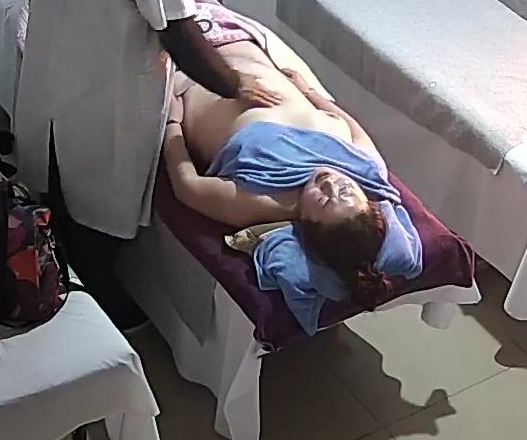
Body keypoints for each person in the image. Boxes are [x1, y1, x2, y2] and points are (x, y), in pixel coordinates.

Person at [16, 0, 279, 332]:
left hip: (52, 65)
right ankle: (92, 289)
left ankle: (60, 253)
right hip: (107, 89)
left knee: (57, 170)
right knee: (100, 200)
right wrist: (235, 86)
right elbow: (178, 33)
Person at [161, 39, 403, 311]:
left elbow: (187, 185)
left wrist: (172, 121)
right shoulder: (367, 169)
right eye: (345, 191)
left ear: (305, 220)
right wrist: (310, 92)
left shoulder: (260, 200)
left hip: (187, 65)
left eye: (324, 200)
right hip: (242, 43)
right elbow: (351, 125)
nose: (330, 184)